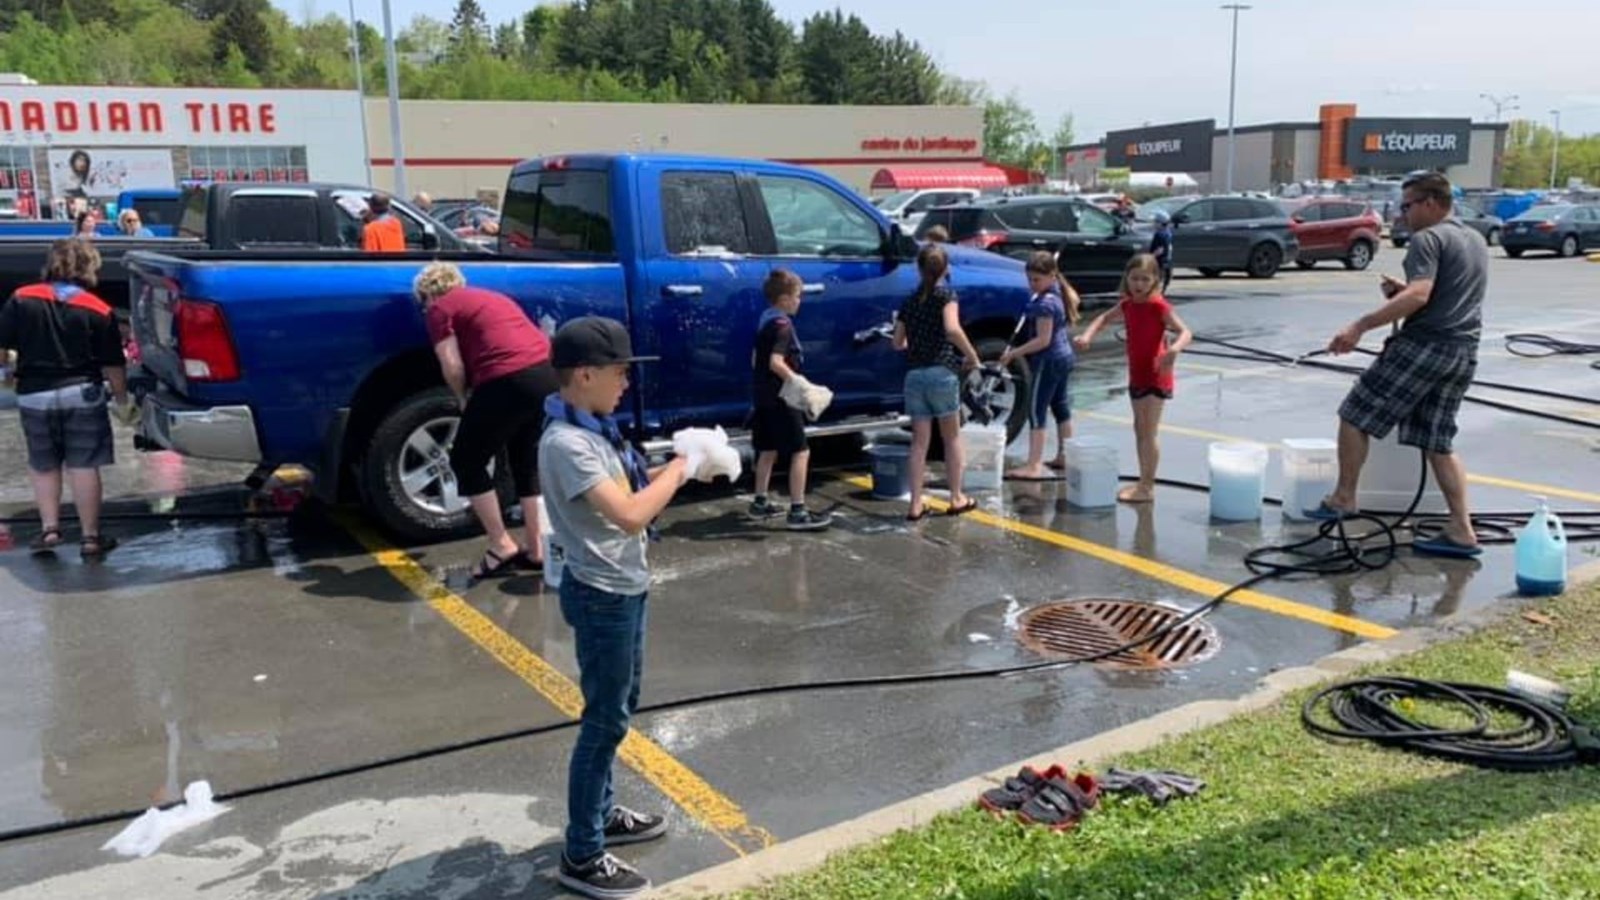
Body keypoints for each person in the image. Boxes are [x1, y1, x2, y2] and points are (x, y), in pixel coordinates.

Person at [539, 316, 710, 899]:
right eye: (618, 373)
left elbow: (635, 494)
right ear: (584, 374)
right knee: (604, 721)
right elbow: (632, 513)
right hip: (601, 595)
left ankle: (601, 813)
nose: (625, 384)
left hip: (623, 586)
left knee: (619, 706)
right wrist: (683, 470)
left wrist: (685, 456)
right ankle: (582, 855)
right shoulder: (567, 444)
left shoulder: (593, 428)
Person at [1309, 172, 1486, 557]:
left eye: (1407, 206)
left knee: (1355, 413)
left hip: (1425, 345)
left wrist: (1359, 326)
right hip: (1463, 351)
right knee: (1438, 442)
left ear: (1430, 203)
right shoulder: (1474, 239)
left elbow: (1422, 295)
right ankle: (1462, 529)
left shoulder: (1428, 238)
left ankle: (1343, 498)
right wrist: (1400, 294)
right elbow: (1440, 294)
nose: (1402, 215)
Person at [413, 262, 556, 578]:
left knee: (466, 460)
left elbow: (451, 364)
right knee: (526, 461)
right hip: (546, 374)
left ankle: (501, 544)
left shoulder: (439, 309)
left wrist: (463, 398)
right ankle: (538, 549)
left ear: (427, 295)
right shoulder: (492, 296)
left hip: (506, 377)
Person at [0, 238, 135, 558]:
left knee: (44, 465)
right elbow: (113, 363)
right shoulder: (98, 309)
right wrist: (122, 401)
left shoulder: (21, 298)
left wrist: (6, 371)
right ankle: (90, 538)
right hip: (82, 394)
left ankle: (49, 531)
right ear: (89, 267)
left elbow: (2, 345)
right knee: (84, 466)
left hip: (34, 394)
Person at [1075, 253, 1192, 504]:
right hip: (1137, 372)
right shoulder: (1128, 304)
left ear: (1154, 281)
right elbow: (1103, 318)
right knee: (1140, 430)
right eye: (1134, 278)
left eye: (1144, 279)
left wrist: (1173, 351)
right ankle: (1143, 481)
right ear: (1126, 279)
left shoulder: (1159, 306)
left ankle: (1147, 487)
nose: (1138, 284)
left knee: (1148, 432)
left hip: (1156, 373)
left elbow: (1185, 332)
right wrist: (1087, 336)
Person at [893, 243, 982, 521]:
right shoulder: (946, 295)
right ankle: (956, 497)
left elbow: (898, 343)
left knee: (919, 443)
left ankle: (916, 503)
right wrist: (972, 356)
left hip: (914, 375)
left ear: (919, 269)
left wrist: (912, 340)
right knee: (951, 437)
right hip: (941, 372)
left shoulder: (909, 300)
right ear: (946, 269)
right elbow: (952, 329)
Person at [747, 268, 832, 531]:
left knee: (768, 449)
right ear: (784, 299)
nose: (799, 301)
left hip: (762, 396)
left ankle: (759, 502)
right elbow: (775, 362)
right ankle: (798, 510)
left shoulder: (765, 321)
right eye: (797, 296)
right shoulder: (783, 325)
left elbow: (755, 360)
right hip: (782, 398)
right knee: (800, 451)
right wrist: (799, 384)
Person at [1000, 251, 1082, 480]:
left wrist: (1015, 353)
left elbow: (1042, 340)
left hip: (1049, 360)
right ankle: (1065, 455)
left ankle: (1034, 464)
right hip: (1064, 357)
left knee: (1036, 411)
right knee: (1060, 406)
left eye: (1036, 280)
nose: (1032, 284)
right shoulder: (1058, 294)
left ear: (1052, 276)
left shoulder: (1046, 304)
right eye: (1029, 280)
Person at [1148, 210, 1175, 293]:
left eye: (1155, 222)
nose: (1153, 224)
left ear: (1160, 223)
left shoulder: (1159, 234)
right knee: (1162, 279)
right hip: (1167, 260)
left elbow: (1160, 249)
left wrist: (1150, 257)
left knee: (1156, 278)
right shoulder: (1168, 232)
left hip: (1159, 260)